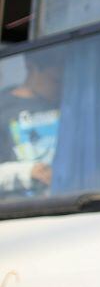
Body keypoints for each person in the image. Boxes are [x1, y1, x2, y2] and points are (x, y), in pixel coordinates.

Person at [0, 49, 63, 196]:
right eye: (55, 80)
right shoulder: (3, 107)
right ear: (31, 68)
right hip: (22, 210)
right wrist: (28, 172)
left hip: (64, 202)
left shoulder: (66, 104)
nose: (59, 87)